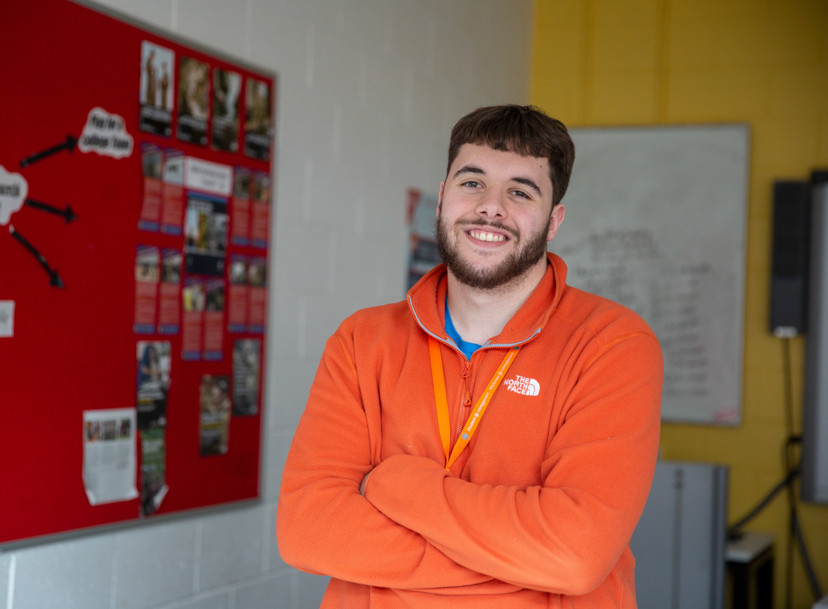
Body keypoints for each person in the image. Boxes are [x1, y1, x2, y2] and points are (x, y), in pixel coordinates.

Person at [276, 104, 664, 608]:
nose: (491, 207)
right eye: (472, 182)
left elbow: (575, 554)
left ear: (553, 222)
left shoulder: (611, 346)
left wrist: (398, 486)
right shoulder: (361, 341)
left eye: (520, 192)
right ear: (442, 199)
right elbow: (308, 530)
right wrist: (522, 564)